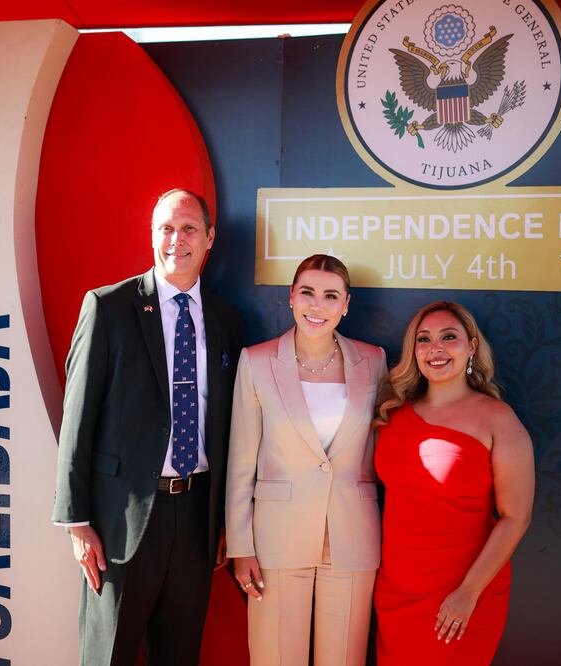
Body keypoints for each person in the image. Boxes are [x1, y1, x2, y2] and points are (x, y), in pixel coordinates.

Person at [51, 189, 243, 666]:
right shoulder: (109, 307)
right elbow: (77, 417)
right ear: (152, 235)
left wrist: (223, 520)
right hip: (120, 521)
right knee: (107, 655)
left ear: (209, 238)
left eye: (189, 229)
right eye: (166, 228)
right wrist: (76, 521)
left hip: (197, 516)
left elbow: (226, 428)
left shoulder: (227, 320)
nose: (176, 239)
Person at [225, 254, 387, 666]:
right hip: (276, 541)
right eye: (308, 293)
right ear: (292, 297)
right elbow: (241, 461)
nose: (318, 305)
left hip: (351, 537)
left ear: (346, 304)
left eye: (331, 295)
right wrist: (241, 546)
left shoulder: (374, 361)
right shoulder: (256, 361)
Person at [373, 301, 534, 665]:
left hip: (462, 594)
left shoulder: (497, 418)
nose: (436, 348)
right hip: (395, 590)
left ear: (472, 346)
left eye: (450, 337)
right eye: (424, 339)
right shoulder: (392, 415)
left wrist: (469, 592)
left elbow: (515, 517)